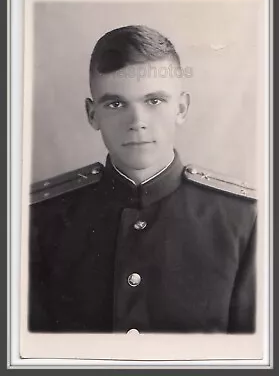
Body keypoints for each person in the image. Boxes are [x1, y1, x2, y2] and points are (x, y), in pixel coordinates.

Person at [28, 25, 257, 334]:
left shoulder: (244, 220)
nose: (137, 123)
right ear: (92, 114)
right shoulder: (39, 219)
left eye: (154, 101)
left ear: (181, 107)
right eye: (116, 104)